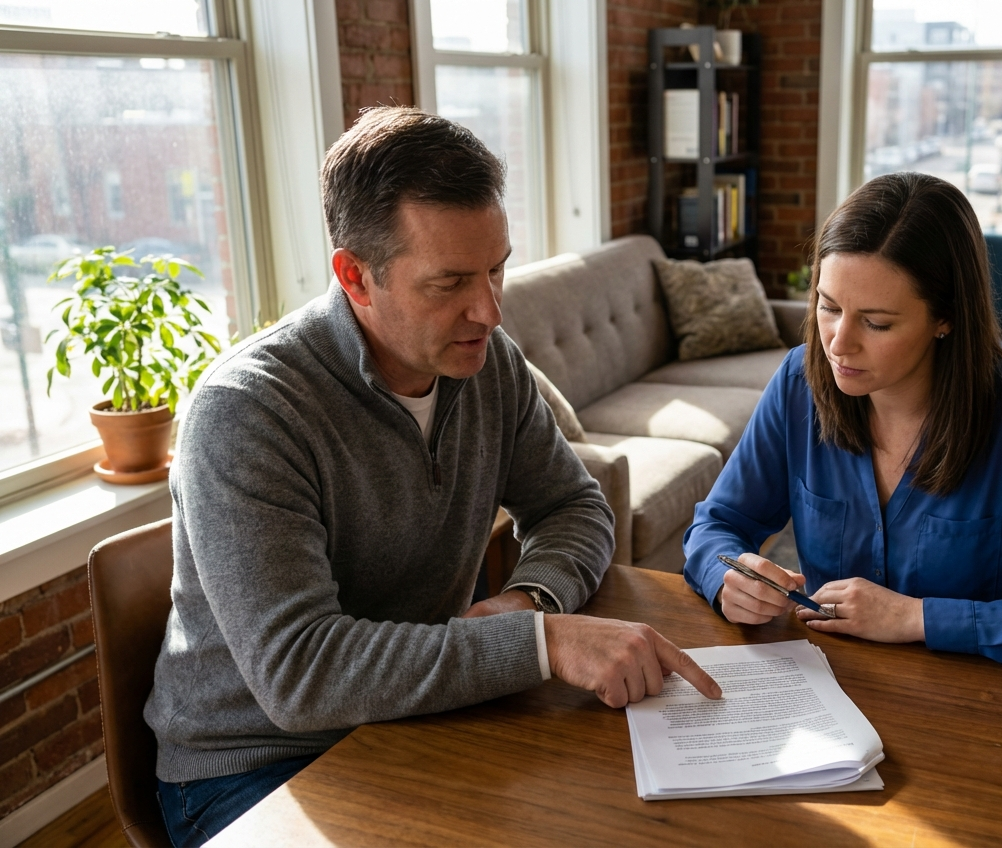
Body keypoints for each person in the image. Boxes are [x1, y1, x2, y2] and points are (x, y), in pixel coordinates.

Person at [145, 107, 720, 846]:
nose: (488, 308)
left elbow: (573, 504)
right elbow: (300, 675)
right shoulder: (249, 412)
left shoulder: (488, 363)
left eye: (497, 267)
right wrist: (544, 643)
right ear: (355, 275)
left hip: (422, 711)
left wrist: (527, 598)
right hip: (253, 767)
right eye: (449, 282)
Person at [683, 172, 1002, 670]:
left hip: (981, 707)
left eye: (876, 322)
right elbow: (716, 525)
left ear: (945, 317)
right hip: (831, 695)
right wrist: (730, 579)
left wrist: (916, 618)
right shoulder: (799, 382)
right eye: (828, 306)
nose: (839, 343)